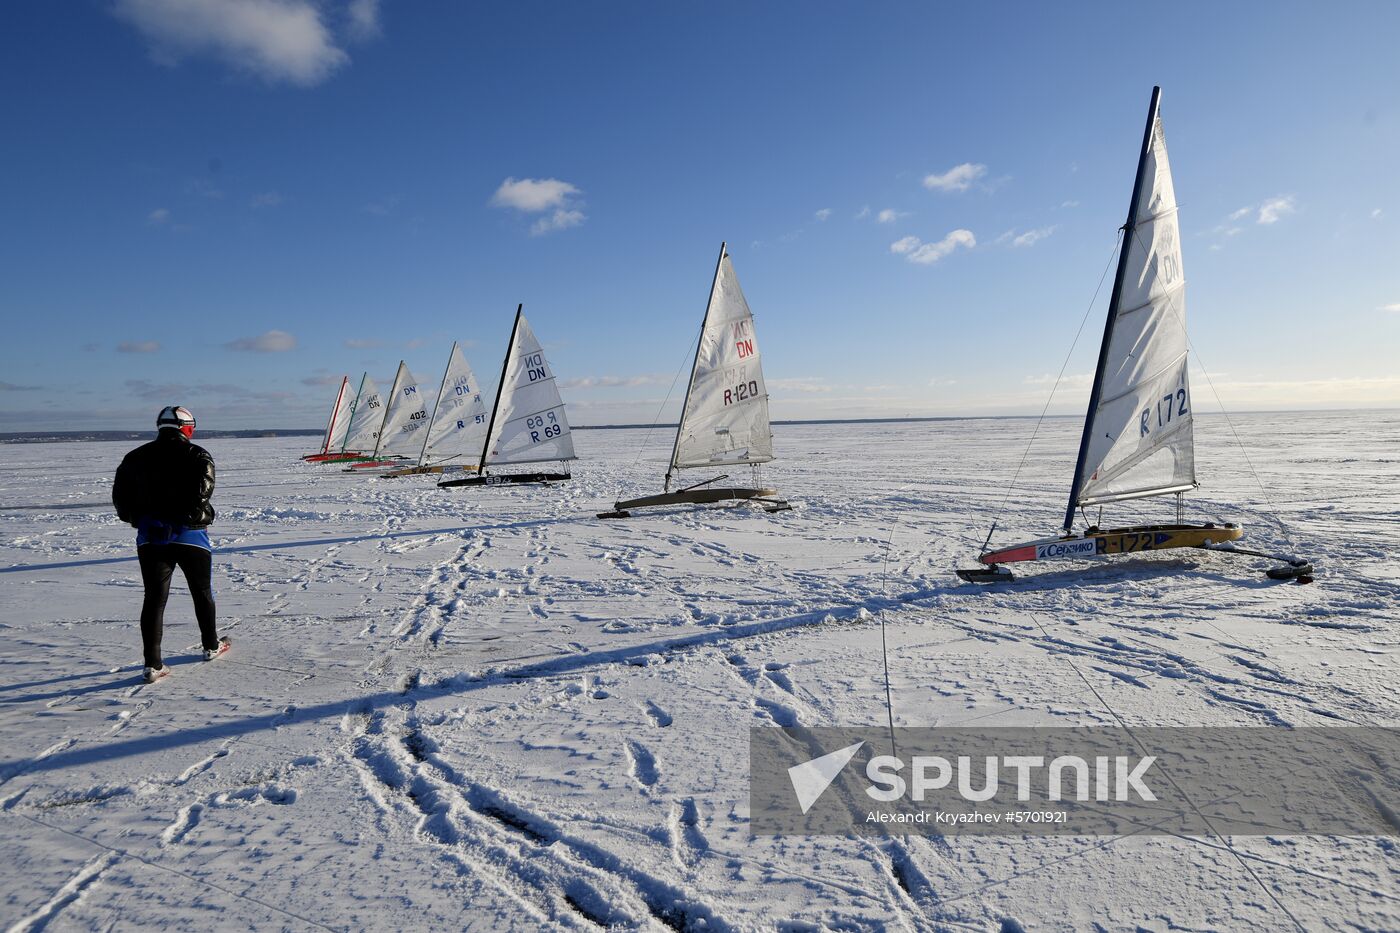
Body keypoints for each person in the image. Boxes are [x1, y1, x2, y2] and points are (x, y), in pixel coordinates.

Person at [112, 406, 229, 682]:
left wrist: (142, 520)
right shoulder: (198, 454)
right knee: (202, 592)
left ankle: (152, 665)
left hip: (151, 538)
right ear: (186, 428)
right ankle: (211, 646)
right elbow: (203, 492)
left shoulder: (133, 458)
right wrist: (178, 521)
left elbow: (121, 500)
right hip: (191, 536)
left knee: (153, 598)